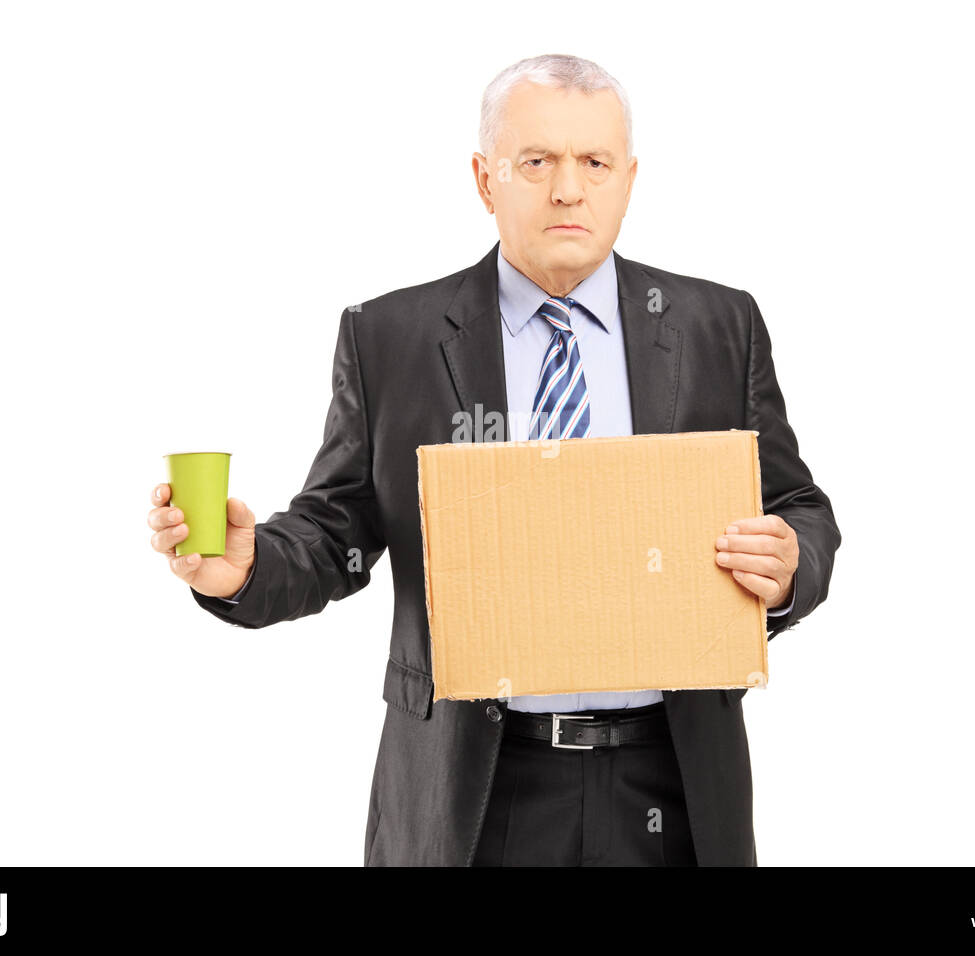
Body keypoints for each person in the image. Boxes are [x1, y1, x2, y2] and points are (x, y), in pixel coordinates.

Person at [145, 53, 841, 866]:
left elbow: (799, 506)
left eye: (594, 163)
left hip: (674, 783)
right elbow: (339, 530)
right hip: (477, 789)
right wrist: (249, 564)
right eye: (537, 162)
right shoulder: (392, 338)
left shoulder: (717, 324)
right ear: (485, 178)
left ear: (629, 177)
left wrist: (792, 563)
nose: (568, 190)